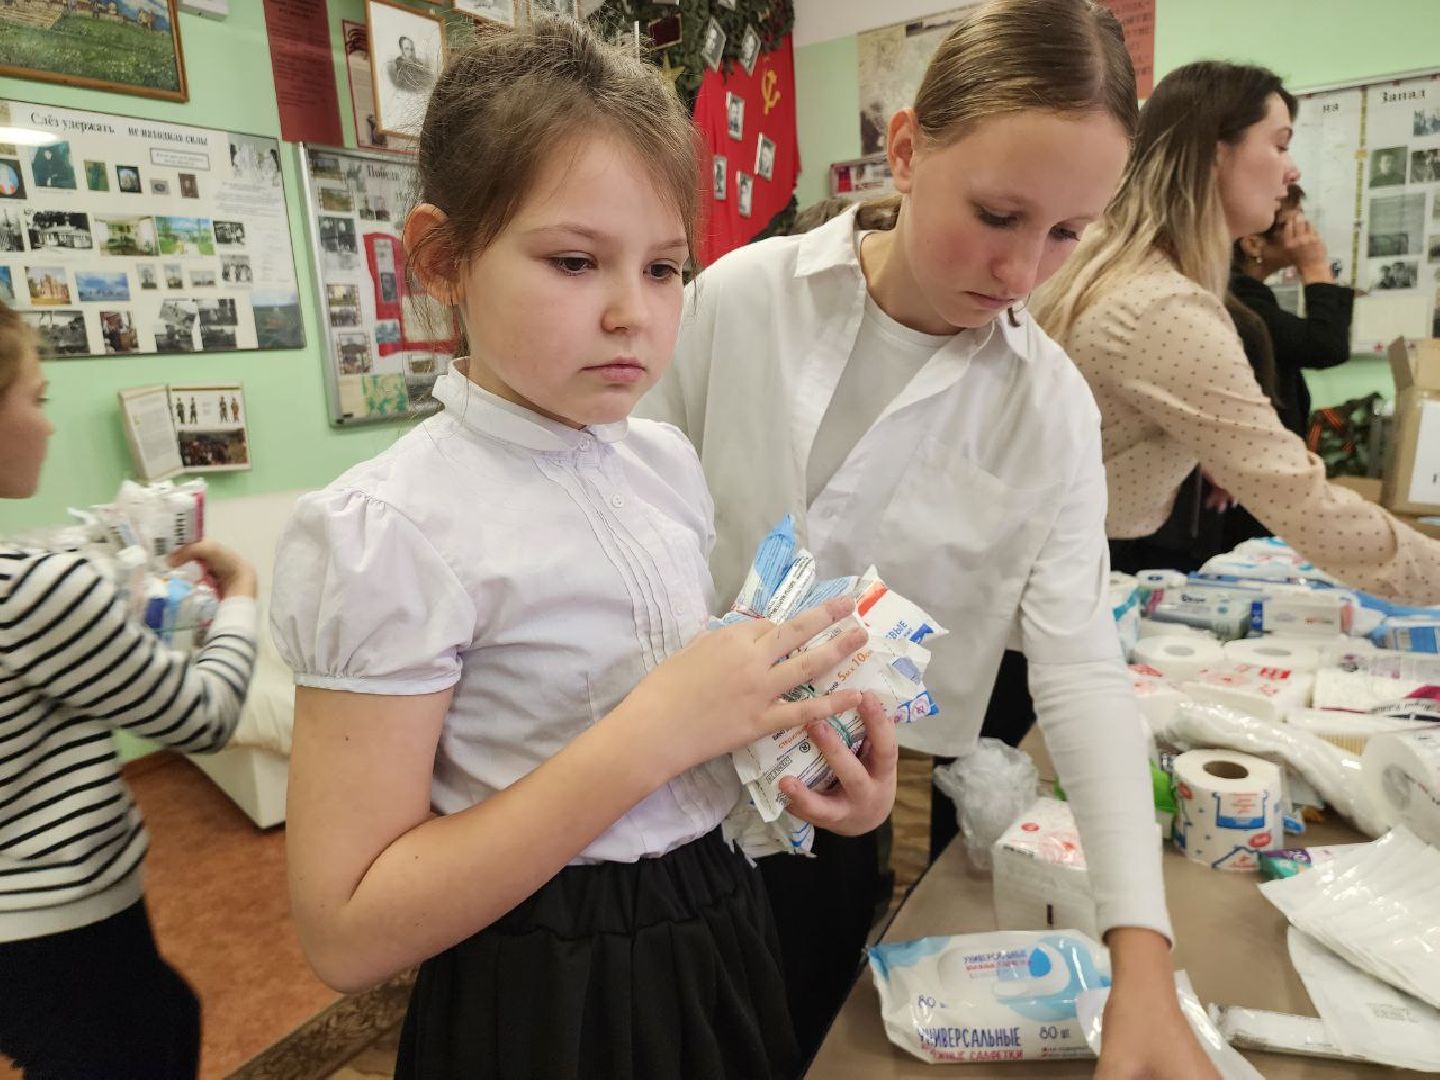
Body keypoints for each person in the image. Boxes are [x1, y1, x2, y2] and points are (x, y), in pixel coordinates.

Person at [268, 21, 893, 1080]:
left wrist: (793, 765)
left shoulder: (657, 461)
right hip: (550, 984)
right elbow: (347, 929)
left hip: (719, 920)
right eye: (573, 261)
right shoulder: (391, 531)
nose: (632, 314)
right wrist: (656, 731)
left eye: (664, 268)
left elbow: (682, 756)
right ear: (443, 259)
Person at [640, 2, 1215, 1075]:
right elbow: (620, 519)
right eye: (998, 213)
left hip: (831, 808)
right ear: (905, 150)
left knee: (795, 1042)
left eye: (1065, 233)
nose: (1021, 269)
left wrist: (1139, 956)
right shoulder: (742, 301)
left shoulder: (1045, 408)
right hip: (642, 794)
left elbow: (1082, 670)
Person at [1034, 61, 1440, 604]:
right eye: (1279, 144)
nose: (1292, 171)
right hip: (1063, 571)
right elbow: (1299, 498)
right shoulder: (1164, 307)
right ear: (1215, 151)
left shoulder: (1104, 259)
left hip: (1039, 558)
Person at [0, 300, 259, 1078]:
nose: (48, 426)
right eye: (36, 400)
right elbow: (205, 716)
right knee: (151, 1036)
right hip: (56, 918)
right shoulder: (35, 588)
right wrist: (240, 596)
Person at [1232, 185, 1354, 438]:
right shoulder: (1240, 300)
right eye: (1292, 224)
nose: (1307, 232)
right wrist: (1315, 266)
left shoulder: (1247, 293)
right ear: (1253, 244)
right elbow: (1326, 344)